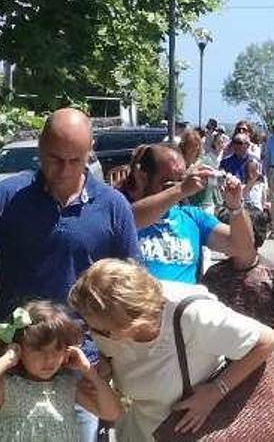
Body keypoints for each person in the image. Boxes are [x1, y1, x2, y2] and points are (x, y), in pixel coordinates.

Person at [0, 108, 140, 441]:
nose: (64, 170)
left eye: (75, 160)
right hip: (15, 362)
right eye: (54, 159)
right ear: (40, 149)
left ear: (89, 152)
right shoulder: (8, 197)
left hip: (78, 364)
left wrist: (109, 357)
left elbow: (130, 289)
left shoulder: (112, 205)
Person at [68, 259, 274, 441]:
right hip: (137, 431)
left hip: (193, 434)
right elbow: (115, 357)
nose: (93, 335)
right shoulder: (107, 324)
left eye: (100, 330)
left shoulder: (193, 315)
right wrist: (104, 370)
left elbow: (266, 341)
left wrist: (216, 391)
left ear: (130, 323)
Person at [124, 144, 255, 285]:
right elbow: (129, 220)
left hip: (182, 304)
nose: (175, 187)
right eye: (168, 183)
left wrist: (236, 207)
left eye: (181, 179)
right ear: (143, 177)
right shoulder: (120, 211)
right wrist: (181, 189)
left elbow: (242, 248)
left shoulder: (192, 217)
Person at [0, 301, 123, 441]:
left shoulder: (68, 384)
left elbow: (112, 413)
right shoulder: (8, 385)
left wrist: (90, 372)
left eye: (58, 349)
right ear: (18, 349)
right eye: (39, 350)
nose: (50, 359)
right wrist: (7, 360)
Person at [202, 207, 274, 341]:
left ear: (254, 235)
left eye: (233, 235)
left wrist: (270, 341)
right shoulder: (214, 274)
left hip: (260, 353)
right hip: (221, 352)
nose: (226, 240)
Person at [180, 128, 217, 215]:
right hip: (185, 205)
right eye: (190, 145)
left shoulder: (207, 161)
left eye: (197, 145)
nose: (194, 148)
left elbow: (214, 182)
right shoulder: (179, 162)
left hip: (205, 205)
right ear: (184, 146)